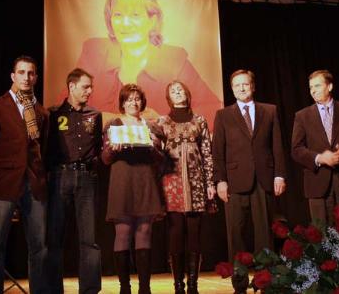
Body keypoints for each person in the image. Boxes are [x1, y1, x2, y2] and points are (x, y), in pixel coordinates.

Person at [71, 0, 222, 128]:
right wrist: (124, 119)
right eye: (118, 15)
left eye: (135, 15)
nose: (125, 23)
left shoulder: (174, 60)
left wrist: (165, 122)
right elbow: (70, 106)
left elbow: (211, 110)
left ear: (152, 20)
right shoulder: (94, 52)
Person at [0, 55, 49, 293]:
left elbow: (42, 149)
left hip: (33, 184)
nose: (26, 77)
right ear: (13, 76)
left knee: (39, 246)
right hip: (4, 184)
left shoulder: (41, 111)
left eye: (31, 73)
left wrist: (40, 176)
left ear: (36, 77)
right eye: (21, 72)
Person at [212, 69, 287, 262]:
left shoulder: (269, 110)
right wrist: (220, 180)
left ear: (252, 86)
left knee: (265, 232)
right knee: (236, 232)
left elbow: (277, 146)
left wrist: (279, 175)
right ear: (232, 89)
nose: (241, 88)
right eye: (236, 85)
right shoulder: (223, 115)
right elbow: (218, 152)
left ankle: (266, 282)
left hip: (264, 179)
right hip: (235, 180)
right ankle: (240, 282)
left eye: (245, 84)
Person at [101, 84, 165, 294]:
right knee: (123, 233)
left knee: (145, 231)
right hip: (122, 181)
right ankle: (124, 288)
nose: (133, 103)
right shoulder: (114, 125)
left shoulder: (151, 126)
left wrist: (154, 144)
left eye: (137, 99)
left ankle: (144, 288)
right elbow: (105, 159)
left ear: (142, 102)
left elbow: (159, 160)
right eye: (129, 99)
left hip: (145, 180)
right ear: (122, 103)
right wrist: (111, 149)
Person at [156, 81, 217, 294]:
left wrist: (210, 183)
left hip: (196, 181)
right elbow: (156, 155)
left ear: (187, 93)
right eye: (172, 90)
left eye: (180, 89)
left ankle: (192, 284)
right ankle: (178, 284)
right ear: (168, 97)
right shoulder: (161, 121)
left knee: (194, 233)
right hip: (171, 181)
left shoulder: (199, 120)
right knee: (175, 233)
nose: (177, 92)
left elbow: (207, 153)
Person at [46, 68, 102, 293]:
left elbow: (98, 147)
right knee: (55, 237)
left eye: (91, 87)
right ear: (71, 87)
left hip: (87, 178)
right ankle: (52, 289)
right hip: (60, 176)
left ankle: (89, 290)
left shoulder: (95, 115)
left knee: (90, 238)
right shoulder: (53, 113)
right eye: (85, 87)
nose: (90, 91)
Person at [291, 70, 339, 223]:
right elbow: (296, 150)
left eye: (317, 86)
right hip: (318, 183)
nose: (313, 90)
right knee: (323, 237)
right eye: (311, 87)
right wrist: (320, 158)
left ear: (330, 86)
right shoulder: (302, 116)